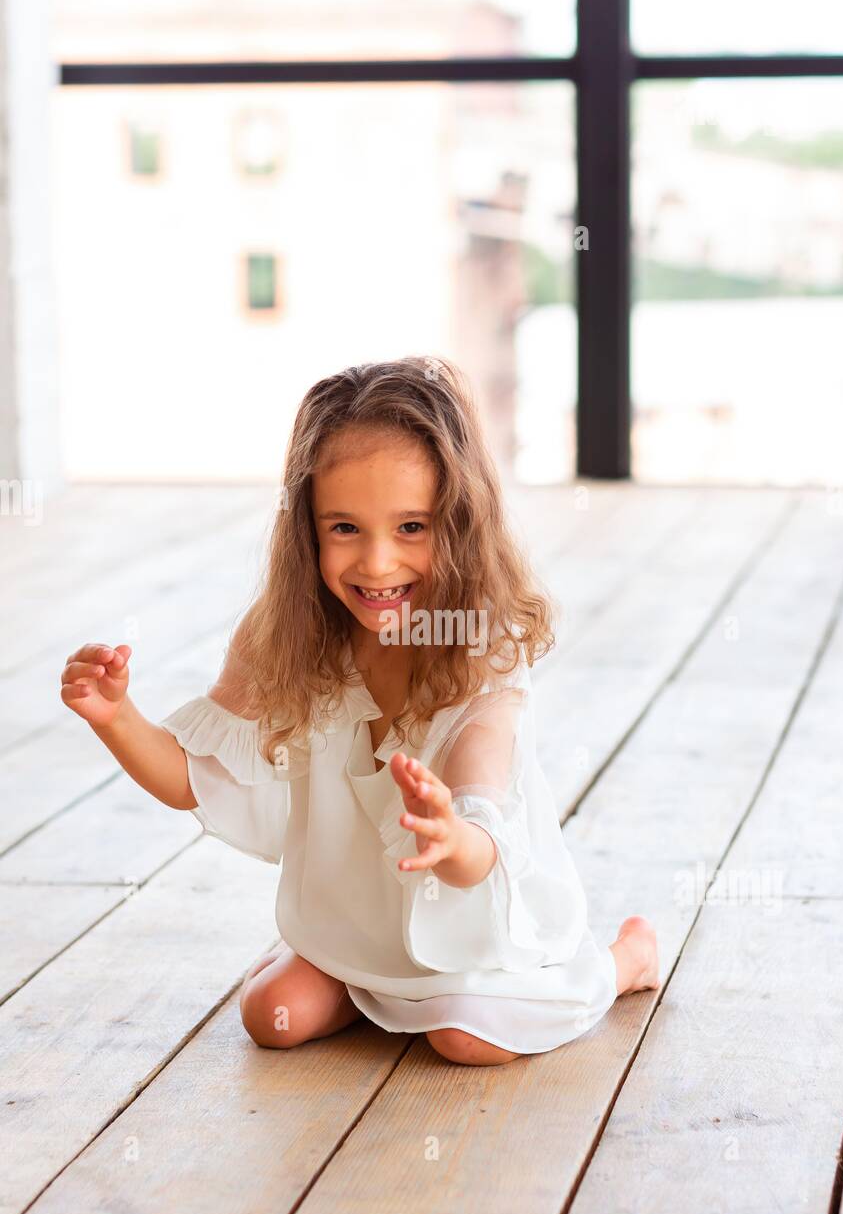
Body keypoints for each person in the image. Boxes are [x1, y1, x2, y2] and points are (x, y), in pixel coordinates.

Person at [60, 355, 658, 1067]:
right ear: (305, 528)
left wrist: (451, 837)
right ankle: (355, 973)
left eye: (411, 527)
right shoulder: (285, 634)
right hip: (356, 922)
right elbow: (195, 778)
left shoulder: (478, 644)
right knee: (271, 1017)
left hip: (470, 908)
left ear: (461, 523)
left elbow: (481, 814)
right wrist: (115, 717)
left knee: (463, 1039)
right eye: (344, 528)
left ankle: (618, 964)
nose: (377, 564)